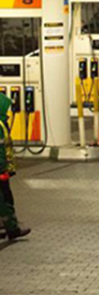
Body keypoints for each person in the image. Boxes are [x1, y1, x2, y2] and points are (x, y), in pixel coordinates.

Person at [0, 91, 30, 240]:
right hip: (1, 170)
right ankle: (12, 228)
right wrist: (3, 169)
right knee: (4, 201)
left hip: (4, 168)